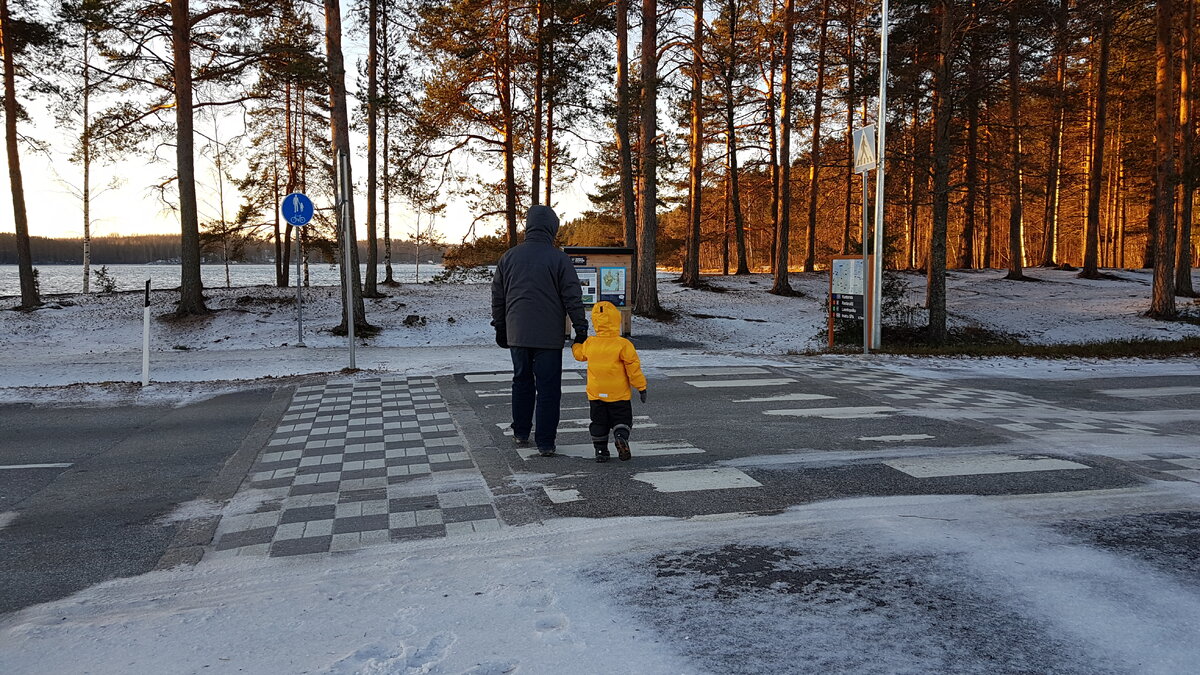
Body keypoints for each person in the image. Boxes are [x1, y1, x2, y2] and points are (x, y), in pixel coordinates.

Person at [491, 205, 588, 457]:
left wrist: (501, 327)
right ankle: (545, 441)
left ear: (528, 226)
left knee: (521, 381)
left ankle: (521, 431)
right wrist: (581, 328)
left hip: (517, 332)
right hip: (548, 336)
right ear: (552, 229)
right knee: (548, 388)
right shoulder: (559, 259)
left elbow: (498, 297)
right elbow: (572, 297)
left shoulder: (509, 257)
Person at [571, 301, 647, 463]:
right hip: (618, 393)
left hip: (596, 393)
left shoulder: (590, 343)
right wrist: (641, 387)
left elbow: (579, 355)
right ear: (616, 320)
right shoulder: (623, 344)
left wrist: (576, 344)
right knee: (622, 419)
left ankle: (601, 450)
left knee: (598, 422)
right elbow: (633, 368)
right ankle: (620, 437)